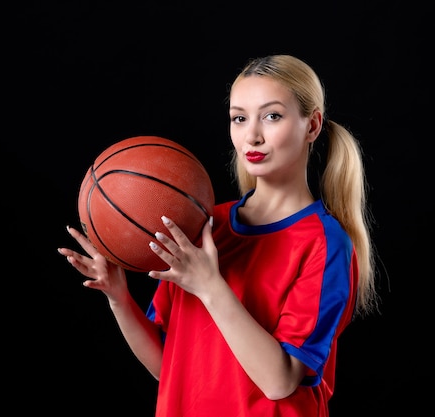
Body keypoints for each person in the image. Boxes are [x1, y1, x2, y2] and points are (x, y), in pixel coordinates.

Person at [57, 54, 380, 416]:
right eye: (239, 118)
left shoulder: (325, 243)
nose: (252, 135)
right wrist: (118, 297)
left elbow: (280, 381)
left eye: (272, 116)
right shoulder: (204, 226)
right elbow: (170, 368)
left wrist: (210, 287)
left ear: (313, 126)